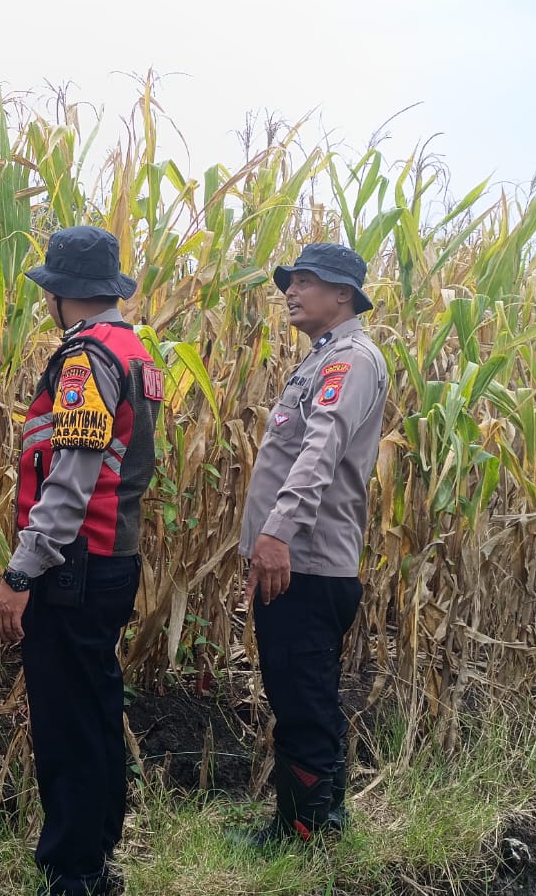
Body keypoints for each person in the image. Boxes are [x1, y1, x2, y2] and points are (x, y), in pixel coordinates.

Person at [0, 225, 164, 895]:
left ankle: (76, 871)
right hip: (111, 556)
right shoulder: (131, 348)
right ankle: (93, 857)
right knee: (93, 706)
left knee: (68, 718)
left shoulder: (87, 359)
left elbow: (70, 480)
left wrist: (21, 572)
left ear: (64, 294)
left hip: (76, 563)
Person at [230, 242, 387, 849]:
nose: (291, 292)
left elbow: (319, 450)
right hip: (299, 561)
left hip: (308, 564)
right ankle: (313, 822)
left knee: (304, 698)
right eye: (288, 282)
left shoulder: (349, 360)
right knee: (300, 693)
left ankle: (304, 833)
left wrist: (275, 533)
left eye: (306, 282)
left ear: (343, 294)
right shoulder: (325, 359)